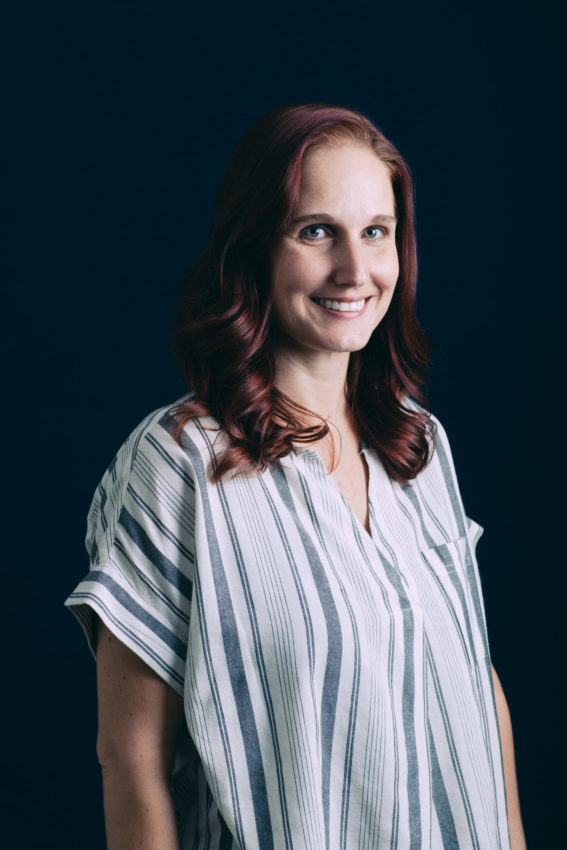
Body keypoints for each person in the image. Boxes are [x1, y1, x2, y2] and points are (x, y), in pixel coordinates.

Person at [65, 103, 525, 850]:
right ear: (253, 248)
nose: (354, 270)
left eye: (375, 232)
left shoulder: (420, 446)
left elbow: (476, 682)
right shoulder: (178, 462)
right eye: (316, 232)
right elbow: (132, 758)